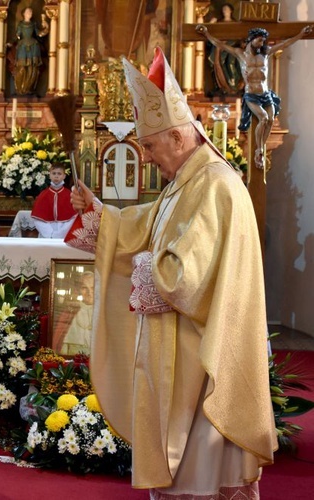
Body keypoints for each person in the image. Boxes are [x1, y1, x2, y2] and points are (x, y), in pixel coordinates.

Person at [65, 47, 276, 498]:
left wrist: (146, 269)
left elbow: (186, 275)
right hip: (180, 353)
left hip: (202, 355)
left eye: (150, 145)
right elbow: (146, 227)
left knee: (201, 469)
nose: (145, 158)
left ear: (179, 138)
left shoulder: (216, 184)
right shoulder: (186, 181)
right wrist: (101, 214)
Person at [198, 24, 312, 168]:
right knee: (263, 118)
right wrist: (207, 34)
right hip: (251, 94)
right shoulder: (240, 54)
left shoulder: (266, 53)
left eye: (263, 41)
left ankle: (261, 147)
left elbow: (286, 43)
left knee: (270, 119)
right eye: (259, 40)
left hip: (264, 93)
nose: (261, 44)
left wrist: (301, 34)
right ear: (251, 39)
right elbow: (220, 44)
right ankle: (259, 149)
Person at [30, 163, 77, 239]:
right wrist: (50, 234)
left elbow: (73, 217)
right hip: (46, 234)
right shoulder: (43, 195)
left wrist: (61, 233)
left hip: (64, 234)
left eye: (59, 173)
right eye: (54, 173)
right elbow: (37, 219)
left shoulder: (70, 195)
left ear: (64, 176)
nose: (56, 176)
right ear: (49, 175)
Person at [13, 6, 49, 95]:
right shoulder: (21, 25)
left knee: (33, 69)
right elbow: (17, 36)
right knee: (21, 68)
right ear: (24, 14)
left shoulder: (33, 24)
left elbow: (39, 34)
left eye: (31, 12)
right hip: (23, 47)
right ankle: (20, 89)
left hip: (33, 47)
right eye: (28, 12)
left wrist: (46, 28)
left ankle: (29, 89)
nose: (30, 14)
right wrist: (12, 41)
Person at [57, 271, 94, 356]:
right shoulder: (70, 311)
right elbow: (61, 345)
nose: (89, 292)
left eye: (93, 287)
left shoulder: (103, 313)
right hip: (73, 356)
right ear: (79, 290)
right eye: (84, 288)